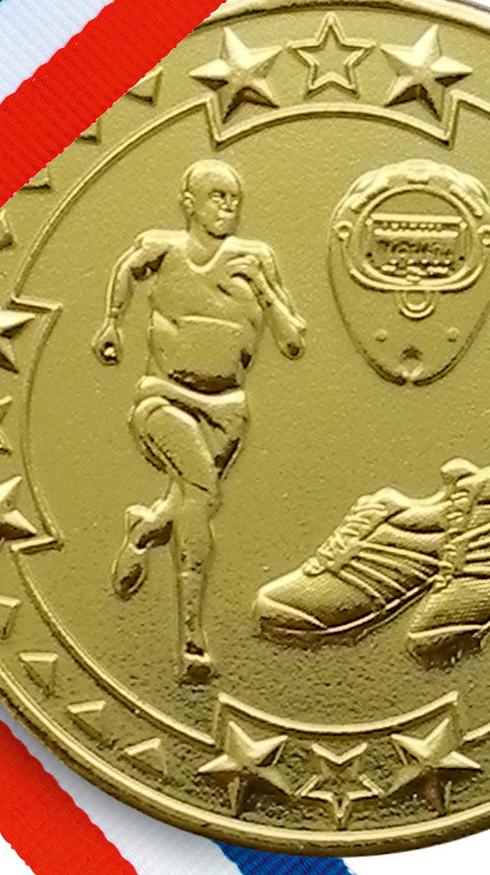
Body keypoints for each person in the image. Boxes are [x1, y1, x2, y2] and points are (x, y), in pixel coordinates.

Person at [93, 159, 306, 683]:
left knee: (191, 498)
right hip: (163, 398)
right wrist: (111, 324)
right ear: (189, 203)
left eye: (234, 199)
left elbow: (293, 341)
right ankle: (191, 639)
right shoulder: (161, 250)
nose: (227, 208)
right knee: (201, 494)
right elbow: (124, 272)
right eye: (216, 197)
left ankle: (146, 529)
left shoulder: (256, 259)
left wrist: (265, 291)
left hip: (228, 411)